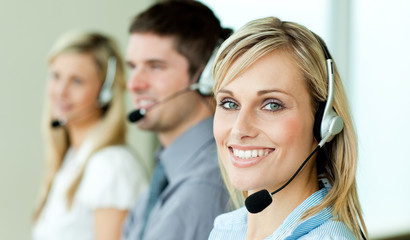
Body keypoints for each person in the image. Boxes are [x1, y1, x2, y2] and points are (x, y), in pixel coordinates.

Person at [209, 17, 368, 239]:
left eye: (272, 105)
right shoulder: (227, 229)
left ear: (323, 123)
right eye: (229, 103)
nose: (239, 128)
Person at [122, 1, 232, 239]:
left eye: (155, 66)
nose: (134, 84)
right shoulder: (171, 172)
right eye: (133, 67)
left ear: (206, 77)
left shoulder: (204, 184)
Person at [32, 31, 147, 240]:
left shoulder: (112, 165)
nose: (60, 91)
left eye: (77, 81)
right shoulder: (73, 158)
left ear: (105, 92)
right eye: (56, 76)